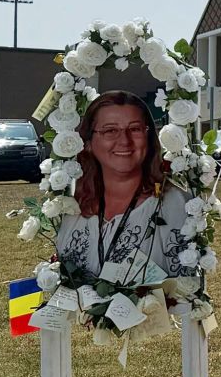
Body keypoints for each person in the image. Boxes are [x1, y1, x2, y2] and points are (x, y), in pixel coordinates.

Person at [56, 91, 189, 279]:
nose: (124, 141)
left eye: (134, 129)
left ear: (149, 138)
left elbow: (188, 292)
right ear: (88, 143)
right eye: (110, 130)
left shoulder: (172, 203)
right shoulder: (72, 206)